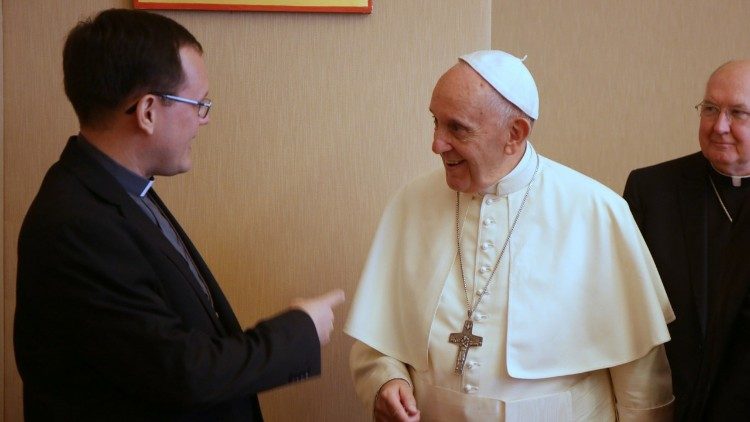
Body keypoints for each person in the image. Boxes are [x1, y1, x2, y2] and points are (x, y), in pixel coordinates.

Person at [13, 8, 345, 421]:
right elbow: (182, 372)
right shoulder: (77, 224)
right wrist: (299, 331)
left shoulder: (119, 189)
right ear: (148, 111)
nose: (204, 120)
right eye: (199, 104)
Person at [345, 50, 675, 421]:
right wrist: (385, 380)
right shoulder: (411, 204)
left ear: (515, 133)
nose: (436, 144)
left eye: (457, 128)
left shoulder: (595, 210)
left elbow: (641, 378)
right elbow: (377, 337)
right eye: (435, 122)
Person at [624, 59, 750, 421]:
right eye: (710, 108)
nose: (719, 126)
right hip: (672, 401)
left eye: (738, 113)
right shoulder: (652, 190)